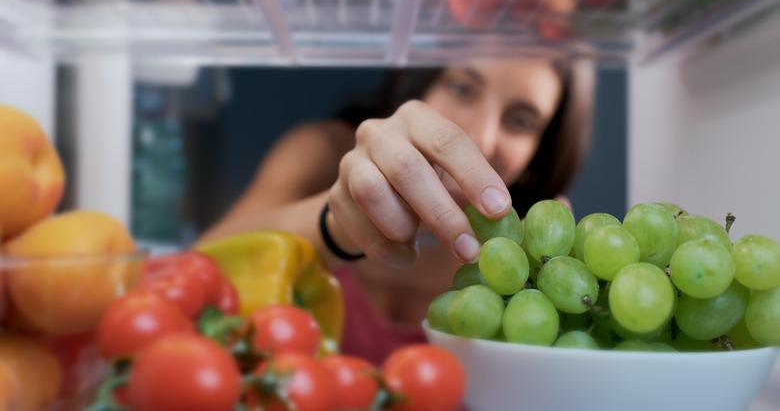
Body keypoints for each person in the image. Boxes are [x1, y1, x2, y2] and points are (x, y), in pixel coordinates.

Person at [195, 56, 595, 365]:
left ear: (541, 152)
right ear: (418, 81)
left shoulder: (533, 254)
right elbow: (190, 281)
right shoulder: (321, 152)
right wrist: (338, 224)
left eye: (521, 121)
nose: (481, 136)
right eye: (462, 87)